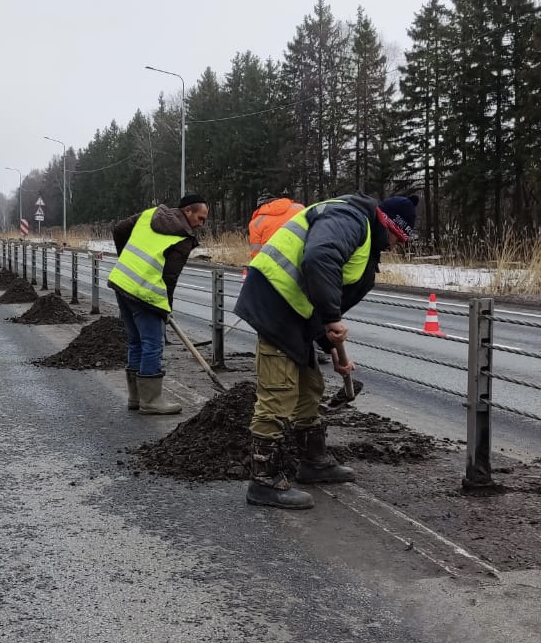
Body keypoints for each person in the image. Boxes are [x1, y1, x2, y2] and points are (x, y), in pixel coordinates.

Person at [234, 192, 417, 509]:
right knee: (279, 391)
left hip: (297, 311)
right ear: (387, 225)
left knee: (311, 385)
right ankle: (263, 481)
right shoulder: (350, 220)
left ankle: (312, 461)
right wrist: (332, 319)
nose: (394, 246)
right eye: (397, 238)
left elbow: (322, 287)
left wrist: (326, 342)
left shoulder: (361, 233)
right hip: (275, 302)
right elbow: (319, 259)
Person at [107, 194, 209, 415]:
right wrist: (166, 309)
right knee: (152, 344)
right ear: (188, 211)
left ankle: (136, 398)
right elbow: (170, 278)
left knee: (136, 342)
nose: (202, 224)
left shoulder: (151, 213)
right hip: (145, 293)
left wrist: (126, 259)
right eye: (200, 218)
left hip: (122, 281)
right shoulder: (182, 238)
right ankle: (151, 400)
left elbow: (119, 230)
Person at [248, 192, 304, 259]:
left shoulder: (255, 223)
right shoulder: (299, 208)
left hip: (273, 261)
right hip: (302, 255)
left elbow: (256, 253)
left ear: (260, 206)